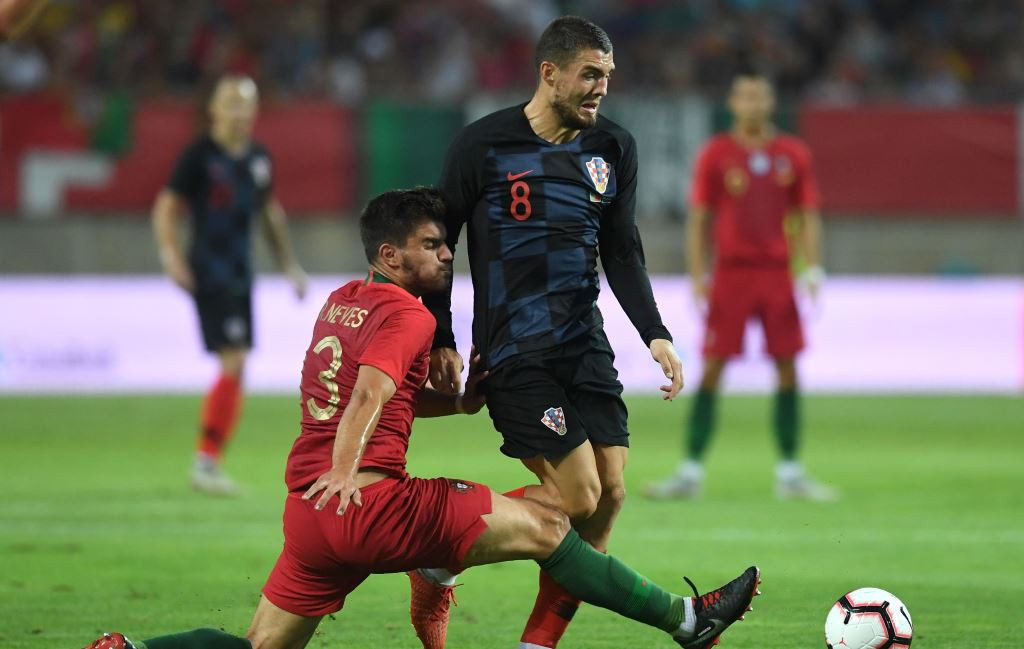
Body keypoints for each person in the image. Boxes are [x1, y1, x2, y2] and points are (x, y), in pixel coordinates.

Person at [83, 187, 760, 649]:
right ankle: (686, 619)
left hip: (310, 513)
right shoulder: (408, 314)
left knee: (261, 643)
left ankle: (132, 647)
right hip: (369, 503)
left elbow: (375, 390)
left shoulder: (343, 301)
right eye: (433, 245)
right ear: (390, 255)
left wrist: (459, 403)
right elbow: (369, 396)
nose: (445, 255)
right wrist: (352, 472)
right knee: (555, 524)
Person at [421, 16, 684, 649]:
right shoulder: (482, 145)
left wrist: (656, 332)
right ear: (549, 72)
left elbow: (622, 250)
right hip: (515, 350)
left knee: (611, 495)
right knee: (578, 493)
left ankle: (536, 644)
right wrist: (442, 338)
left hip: (584, 344)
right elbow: (437, 245)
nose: (601, 88)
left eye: (607, 77)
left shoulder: (613, 149)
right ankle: (435, 555)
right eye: (590, 74)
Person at [645, 72, 836, 501]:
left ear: (770, 102)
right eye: (745, 96)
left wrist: (813, 268)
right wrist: (698, 275)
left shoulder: (793, 153)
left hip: (777, 273)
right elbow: (700, 218)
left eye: (760, 95)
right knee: (713, 367)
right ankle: (690, 472)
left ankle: (790, 472)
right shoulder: (717, 154)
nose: (753, 103)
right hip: (731, 274)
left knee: (787, 367)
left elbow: (807, 214)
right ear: (733, 102)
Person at [152, 75, 308, 495]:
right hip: (211, 271)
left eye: (246, 105)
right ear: (214, 109)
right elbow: (166, 207)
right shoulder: (199, 156)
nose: (239, 113)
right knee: (235, 360)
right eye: (231, 104)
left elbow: (269, 214)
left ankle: (210, 460)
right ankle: (205, 462)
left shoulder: (258, 158)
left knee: (238, 368)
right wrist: (172, 256)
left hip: (241, 274)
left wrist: (289, 266)